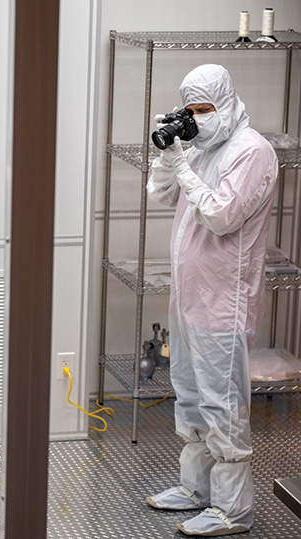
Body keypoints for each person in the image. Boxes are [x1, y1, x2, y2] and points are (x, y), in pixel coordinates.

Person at [145, 64, 278, 536]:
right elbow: (160, 194)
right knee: (191, 394)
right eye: (191, 110)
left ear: (225, 102)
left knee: (222, 404)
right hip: (188, 297)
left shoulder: (251, 151)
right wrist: (170, 156)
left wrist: (183, 165)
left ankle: (233, 510)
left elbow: (222, 216)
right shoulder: (202, 147)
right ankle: (196, 488)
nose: (198, 118)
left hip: (224, 301)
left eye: (205, 109)